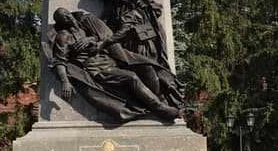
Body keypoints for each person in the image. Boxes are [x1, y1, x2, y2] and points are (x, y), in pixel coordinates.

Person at [49, 7, 180, 122]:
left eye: (68, 13)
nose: (68, 17)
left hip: (111, 59)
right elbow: (60, 60)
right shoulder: (64, 36)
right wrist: (64, 80)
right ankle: (157, 107)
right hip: (97, 69)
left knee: (146, 67)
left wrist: (91, 39)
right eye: (64, 17)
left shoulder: (85, 26)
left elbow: (104, 35)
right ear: (62, 23)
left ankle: (156, 98)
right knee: (131, 77)